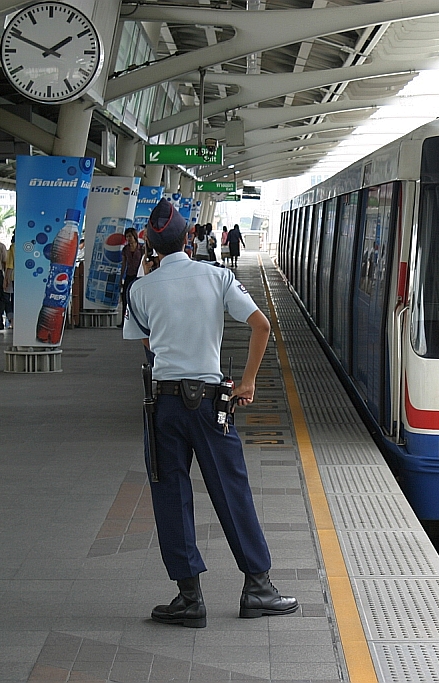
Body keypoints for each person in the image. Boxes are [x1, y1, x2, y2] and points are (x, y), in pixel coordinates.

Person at [123, 199, 297, 626]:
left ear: (150, 244)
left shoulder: (139, 289)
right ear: (188, 238)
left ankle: (189, 598)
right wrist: (249, 382)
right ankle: (257, 588)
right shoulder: (218, 276)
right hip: (211, 403)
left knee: (171, 495)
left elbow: (147, 344)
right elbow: (261, 325)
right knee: (231, 490)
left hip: (163, 404)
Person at [119, 227, 144, 328]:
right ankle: (123, 321)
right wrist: (121, 277)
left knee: (138, 299)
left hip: (138, 276)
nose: (128, 239)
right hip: (129, 275)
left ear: (135, 236)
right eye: (127, 237)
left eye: (130, 236)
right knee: (125, 298)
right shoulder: (125, 249)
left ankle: (138, 321)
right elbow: (124, 264)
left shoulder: (141, 248)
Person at [3, 232, 15, 329]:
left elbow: (10, 266)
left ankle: (13, 321)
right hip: (29, 279)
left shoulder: (13, 247)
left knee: (12, 300)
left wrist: (6, 279)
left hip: (15, 278)